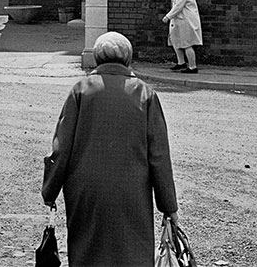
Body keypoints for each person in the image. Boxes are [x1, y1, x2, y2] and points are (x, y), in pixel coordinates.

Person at [42, 31, 178, 267]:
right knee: (132, 252)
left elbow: (61, 148)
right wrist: (168, 206)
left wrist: (50, 191)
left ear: (96, 59)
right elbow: (158, 155)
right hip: (132, 191)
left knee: (87, 250)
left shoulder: (81, 90)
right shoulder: (145, 93)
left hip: (86, 191)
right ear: (128, 59)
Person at [162, 0, 203, 73]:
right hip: (180, 20)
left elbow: (179, 5)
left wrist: (168, 16)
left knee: (187, 43)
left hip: (186, 20)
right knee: (177, 42)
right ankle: (181, 63)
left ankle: (192, 67)